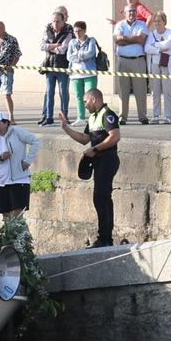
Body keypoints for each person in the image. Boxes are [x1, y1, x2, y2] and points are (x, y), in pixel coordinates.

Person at [65, 87, 121, 247]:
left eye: (85, 101)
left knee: (101, 197)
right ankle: (104, 237)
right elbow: (84, 139)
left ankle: (105, 238)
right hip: (99, 161)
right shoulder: (93, 117)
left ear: (93, 99)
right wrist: (66, 128)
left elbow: (115, 137)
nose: (85, 105)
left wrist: (95, 149)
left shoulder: (108, 114)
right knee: (100, 198)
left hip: (108, 159)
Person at [0, 109, 38, 215]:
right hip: (2, 182)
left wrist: (27, 161)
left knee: (17, 217)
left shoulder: (17, 132)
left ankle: (21, 232)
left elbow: (35, 141)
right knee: (6, 217)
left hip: (18, 181)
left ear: (6, 122)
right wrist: (0, 157)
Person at [113, 3, 150, 125]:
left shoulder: (142, 24)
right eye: (129, 11)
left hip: (138, 61)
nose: (132, 13)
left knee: (141, 90)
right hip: (123, 61)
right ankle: (122, 117)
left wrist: (126, 39)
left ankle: (142, 116)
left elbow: (141, 39)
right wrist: (133, 39)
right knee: (123, 91)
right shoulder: (119, 25)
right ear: (124, 13)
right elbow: (118, 40)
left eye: (134, 11)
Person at [38, 7, 72, 127]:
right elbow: (42, 46)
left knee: (63, 92)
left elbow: (63, 49)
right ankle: (48, 117)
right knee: (49, 92)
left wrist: (50, 47)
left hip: (62, 67)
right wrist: (54, 45)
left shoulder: (68, 30)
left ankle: (64, 116)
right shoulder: (47, 29)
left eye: (58, 21)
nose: (55, 24)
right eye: (53, 21)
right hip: (50, 66)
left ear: (63, 22)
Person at [66, 20, 101, 126]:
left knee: (91, 97)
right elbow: (69, 56)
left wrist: (77, 54)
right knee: (79, 96)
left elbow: (90, 53)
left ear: (84, 30)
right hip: (75, 74)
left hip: (89, 73)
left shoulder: (91, 40)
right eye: (75, 31)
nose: (77, 33)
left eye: (79, 31)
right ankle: (80, 117)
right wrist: (79, 56)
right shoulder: (72, 42)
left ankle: (94, 118)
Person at [0, 21, 21, 118]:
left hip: (6, 72)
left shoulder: (11, 40)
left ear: (2, 28)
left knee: (7, 94)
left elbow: (17, 55)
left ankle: (11, 117)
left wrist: (11, 66)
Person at [147, 12, 171, 124]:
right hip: (154, 64)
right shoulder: (151, 34)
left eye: (159, 21)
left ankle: (168, 116)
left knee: (167, 91)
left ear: (164, 21)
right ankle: (155, 115)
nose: (157, 23)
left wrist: (155, 45)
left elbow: (169, 45)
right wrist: (159, 49)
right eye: (155, 21)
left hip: (167, 64)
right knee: (155, 91)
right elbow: (147, 48)